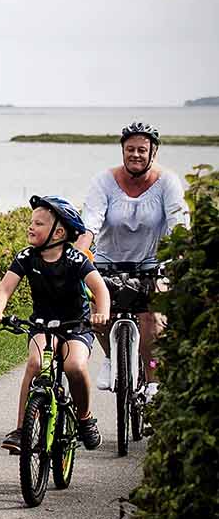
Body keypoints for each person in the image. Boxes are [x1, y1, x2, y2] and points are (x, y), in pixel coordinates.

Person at [0, 195, 109, 453]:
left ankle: (85, 418)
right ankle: (21, 429)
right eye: (31, 222)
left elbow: (100, 289)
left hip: (76, 325)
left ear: (59, 233)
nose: (31, 227)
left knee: (74, 365)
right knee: (35, 363)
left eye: (39, 224)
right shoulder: (26, 257)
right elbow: (5, 288)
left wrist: (102, 313)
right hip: (42, 324)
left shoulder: (76, 259)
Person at [75, 122, 188, 396]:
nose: (135, 154)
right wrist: (78, 255)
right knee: (99, 309)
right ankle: (110, 357)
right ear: (122, 151)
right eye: (130, 149)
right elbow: (90, 222)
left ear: (153, 153)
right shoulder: (104, 181)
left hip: (152, 263)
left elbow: (178, 222)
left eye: (142, 150)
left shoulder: (167, 182)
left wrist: (181, 256)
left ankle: (152, 379)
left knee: (152, 317)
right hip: (108, 261)